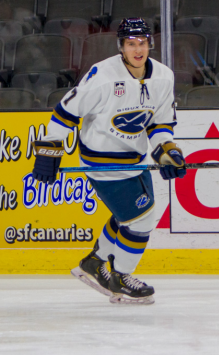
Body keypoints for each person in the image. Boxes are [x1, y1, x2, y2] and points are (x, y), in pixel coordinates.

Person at [32, 18, 186, 305]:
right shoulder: (102, 76)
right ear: (121, 47)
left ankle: (95, 263)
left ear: (150, 44)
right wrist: (49, 150)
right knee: (142, 219)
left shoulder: (164, 77)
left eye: (142, 43)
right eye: (131, 44)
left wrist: (167, 151)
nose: (137, 49)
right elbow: (65, 113)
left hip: (136, 159)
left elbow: (159, 123)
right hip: (102, 162)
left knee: (126, 216)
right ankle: (121, 277)